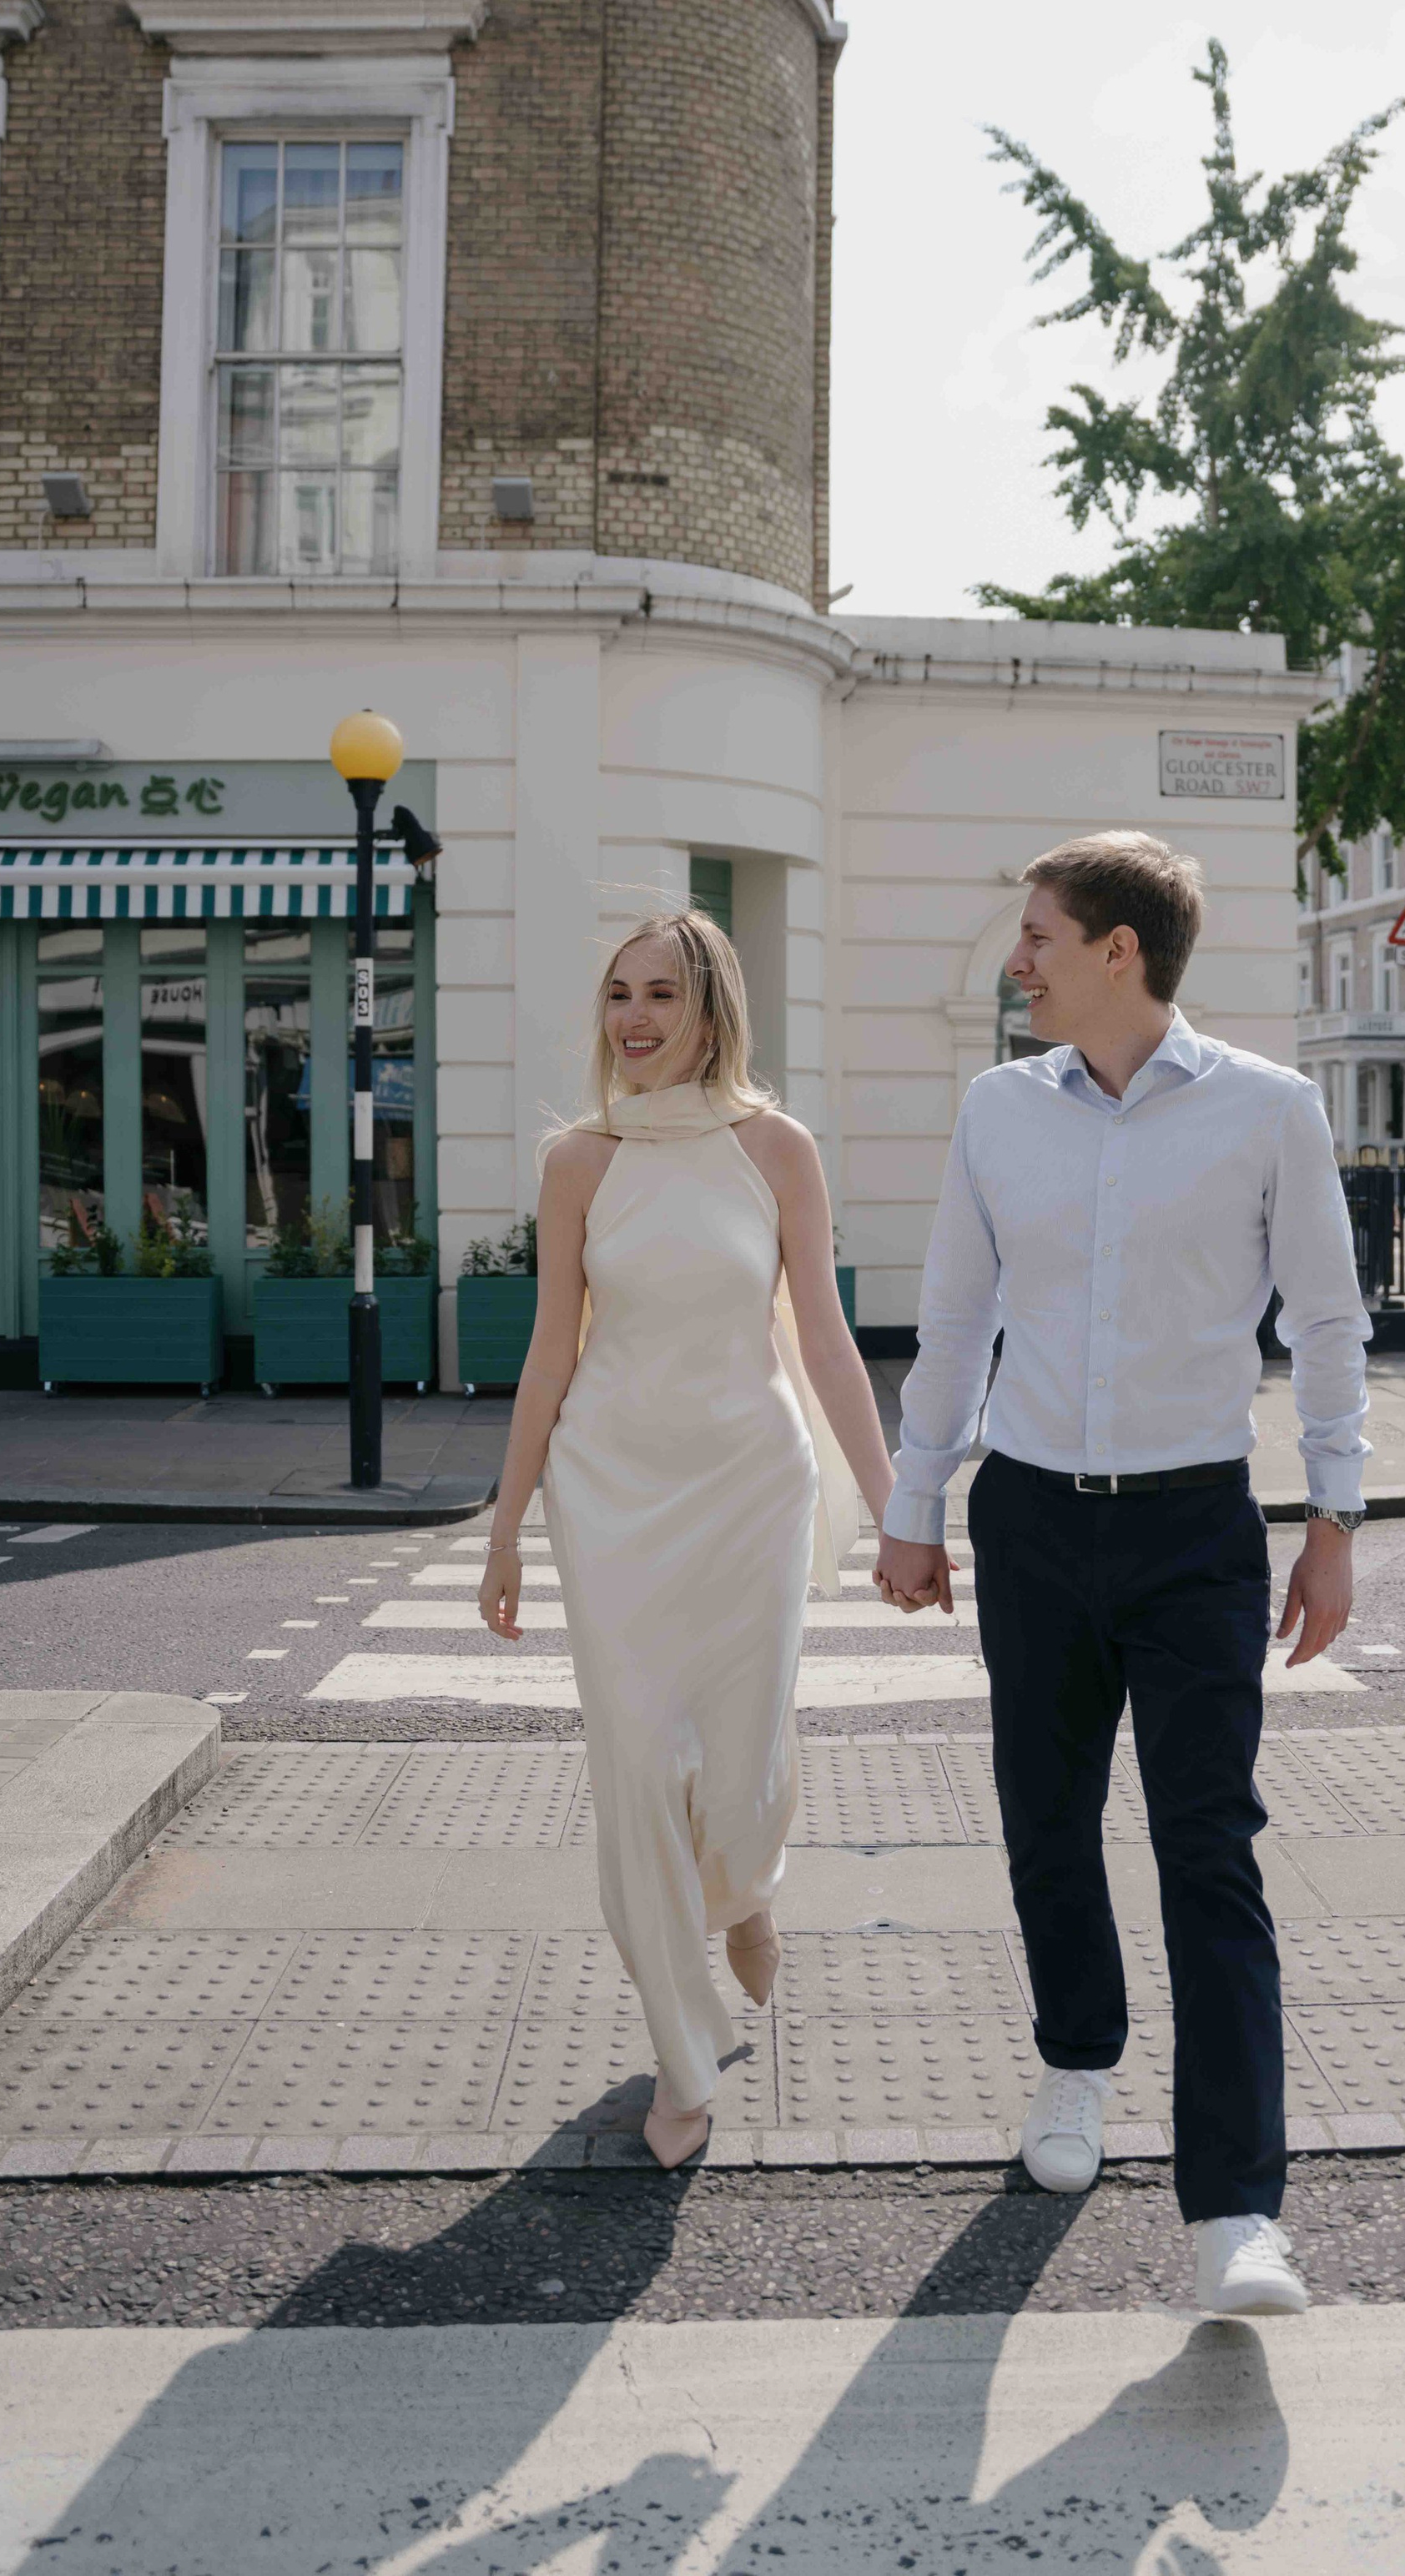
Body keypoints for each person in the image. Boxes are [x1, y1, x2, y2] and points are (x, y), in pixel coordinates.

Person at [876, 831, 1370, 2317]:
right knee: (1047, 1821)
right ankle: (1077, 2064)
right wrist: (915, 1502)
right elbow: (955, 1319)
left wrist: (1335, 1519)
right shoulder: (997, 1110)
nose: (1016, 959)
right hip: (1031, 1519)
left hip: (1194, 1528)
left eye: (1038, 935)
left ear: (1118, 952)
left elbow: (1328, 1322)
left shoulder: (1269, 1110)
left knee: (1209, 1850)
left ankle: (1237, 2212)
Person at [479, 912, 894, 2167]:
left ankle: (746, 1889)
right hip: (608, 1491)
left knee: (742, 1756)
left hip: (750, 1487)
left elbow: (825, 1338)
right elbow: (548, 1351)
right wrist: (504, 1530)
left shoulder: (776, 1149)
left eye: (662, 993)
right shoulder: (579, 1161)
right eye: (619, 994)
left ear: (713, 1010)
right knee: (636, 1770)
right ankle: (681, 2052)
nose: (635, 1017)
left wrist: (899, 1507)